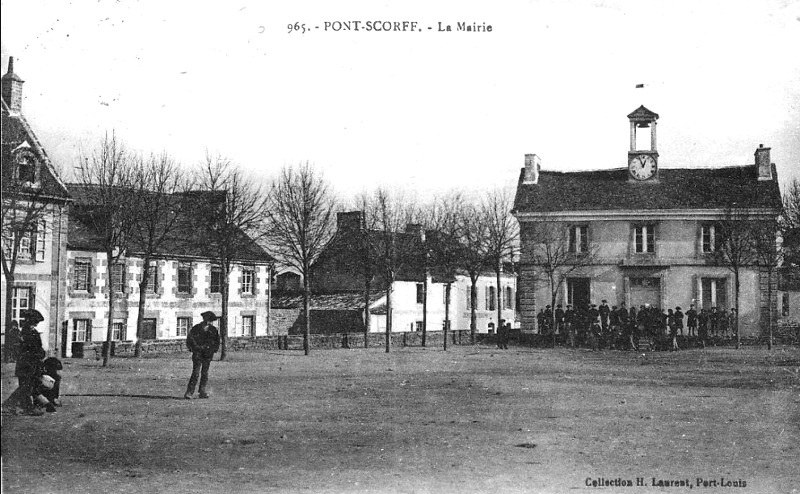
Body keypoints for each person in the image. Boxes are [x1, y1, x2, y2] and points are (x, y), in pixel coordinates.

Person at [3, 310, 56, 415]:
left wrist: (40, 355)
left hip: (32, 364)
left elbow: (38, 348)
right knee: (26, 387)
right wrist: (38, 354)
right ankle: (26, 408)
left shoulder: (33, 331)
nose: (36, 324)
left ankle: (10, 405)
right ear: (30, 321)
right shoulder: (25, 333)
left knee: (27, 387)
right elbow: (28, 350)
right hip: (26, 364)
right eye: (35, 321)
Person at [184, 311, 221, 400]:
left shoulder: (213, 330)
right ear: (204, 319)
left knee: (205, 373)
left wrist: (213, 350)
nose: (208, 322)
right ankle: (189, 392)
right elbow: (190, 339)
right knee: (195, 373)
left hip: (208, 354)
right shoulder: (196, 328)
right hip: (198, 353)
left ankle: (202, 391)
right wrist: (194, 348)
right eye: (207, 320)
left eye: (210, 321)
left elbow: (217, 341)